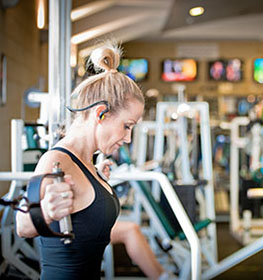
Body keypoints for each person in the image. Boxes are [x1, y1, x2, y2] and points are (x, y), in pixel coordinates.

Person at [15, 43, 165, 280]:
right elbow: (22, 226)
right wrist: (46, 210)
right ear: (101, 114)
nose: (127, 138)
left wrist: (98, 183)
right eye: (126, 126)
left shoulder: (88, 164)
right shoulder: (56, 160)